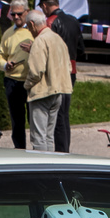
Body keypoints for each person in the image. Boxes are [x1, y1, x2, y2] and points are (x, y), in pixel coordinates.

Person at [38, 0, 84, 153]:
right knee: (64, 114)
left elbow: (46, 48)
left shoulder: (50, 22)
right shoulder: (74, 21)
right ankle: (64, 149)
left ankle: (60, 151)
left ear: (44, 6)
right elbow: (81, 49)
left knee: (56, 114)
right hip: (71, 70)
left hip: (56, 71)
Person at [23, 8, 71, 152]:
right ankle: (51, 166)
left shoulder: (40, 40)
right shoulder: (58, 39)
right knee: (49, 136)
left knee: (38, 137)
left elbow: (36, 71)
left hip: (42, 92)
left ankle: (40, 168)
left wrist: (27, 85)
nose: (28, 30)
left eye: (28, 27)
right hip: (58, 92)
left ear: (32, 24)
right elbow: (68, 67)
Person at [0, 0, 33, 150]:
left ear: (27, 12)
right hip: (12, 81)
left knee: (34, 119)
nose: (16, 17)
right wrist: (6, 65)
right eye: (13, 14)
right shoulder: (8, 33)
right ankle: (20, 150)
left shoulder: (34, 31)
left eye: (19, 14)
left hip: (31, 81)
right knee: (17, 121)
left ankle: (38, 151)